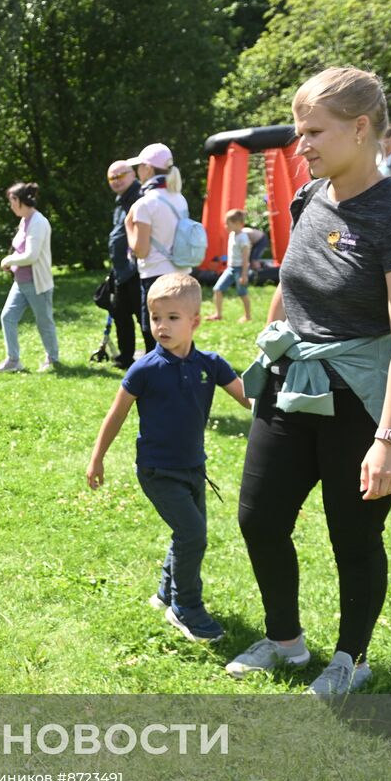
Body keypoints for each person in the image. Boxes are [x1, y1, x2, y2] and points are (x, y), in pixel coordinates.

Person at [230, 67, 391, 696]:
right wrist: (267, 353)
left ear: (360, 129)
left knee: (351, 534)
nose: (301, 147)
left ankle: (351, 658)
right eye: (300, 133)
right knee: (259, 518)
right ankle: (286, 643)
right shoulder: (309, 198)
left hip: (359, 401)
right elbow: (291, 287)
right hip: (290, 383)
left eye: (312, 132)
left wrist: (390, 438)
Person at [86, 274, 251, 644]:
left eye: (173, 318)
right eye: (155, 317)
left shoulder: (211, 364)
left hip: (194, 467)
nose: (162, 326)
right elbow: (116, 414)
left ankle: (165, 593)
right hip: (157, 470)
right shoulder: (144, 369)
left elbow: (246, 398)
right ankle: (185, 607)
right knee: (193, 534)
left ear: (194, 321)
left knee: (187, 533)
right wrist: (97, 458)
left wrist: (280, 399)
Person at [124, 143, 192, 342]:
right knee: (181, 333)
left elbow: (141, 251)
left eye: (139, 166)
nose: (138, 172)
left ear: (148, 168)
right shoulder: (179, 198)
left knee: (156, 336)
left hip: (156, 276)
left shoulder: (144, 204)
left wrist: (128, 226)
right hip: (181, 273)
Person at [0, 181, 59, 372]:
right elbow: (21, 249)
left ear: (19, 200)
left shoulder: (38, 222)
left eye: (11, 201)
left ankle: (53, 360)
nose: (10, 206)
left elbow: (31, 255)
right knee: (7, 317)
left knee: (44, 322)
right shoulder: (24, 220)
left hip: (37, 283)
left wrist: (9, 260)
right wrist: (13, 263)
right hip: (20, 282)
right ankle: (13, 360)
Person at [106, 160, 152, 367]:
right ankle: (126, 357)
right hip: (120, 271)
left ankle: (153, 355)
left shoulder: (141, 198)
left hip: (137, 269)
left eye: (120, 175)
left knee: (144, 317)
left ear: (132, 174)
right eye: (111, 178)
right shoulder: (120, 201)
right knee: (120, 314)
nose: (116, 181)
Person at [210, 209, 253, 322]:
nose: (225, 226)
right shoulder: (232, 235)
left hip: (240, 269)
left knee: (242, 293)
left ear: (238, 223)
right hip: (231, 268)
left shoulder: (243, 238)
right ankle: (218, 314)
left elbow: (245, 258)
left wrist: (244, 275)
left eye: (227, 223)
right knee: (217, 289)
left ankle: (247, 316)